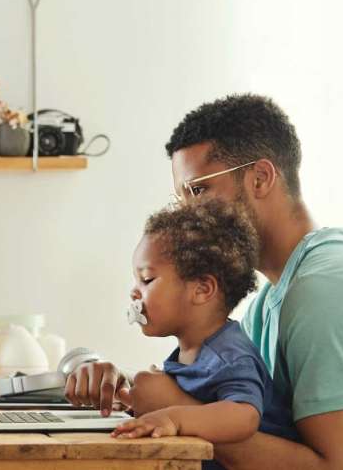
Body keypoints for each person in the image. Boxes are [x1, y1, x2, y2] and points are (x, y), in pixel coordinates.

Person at [66, 94, 343, 469]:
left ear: (260, 177)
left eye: (198, 190)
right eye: (181, 197)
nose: (188, 213)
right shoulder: (274, 296)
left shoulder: (325, 293)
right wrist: (128, 388)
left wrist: (177, 412)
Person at [107, 200, 297, 470]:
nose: (134, 292)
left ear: (202, 290)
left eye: (147, 280)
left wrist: (173, 418)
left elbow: (244, 416)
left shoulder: (230, 354)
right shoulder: (191, 351)